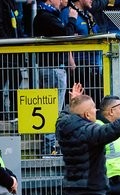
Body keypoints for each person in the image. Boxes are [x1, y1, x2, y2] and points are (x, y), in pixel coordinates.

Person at [33, 0, 73, 155]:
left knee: (54, 108)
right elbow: (66, 35)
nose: (63, 0)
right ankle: (49, 147)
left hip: (52, 68)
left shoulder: (49, 16)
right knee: (53, 109)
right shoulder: (46, 17)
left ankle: (51, 145)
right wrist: (72, 20)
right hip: (53, 69)